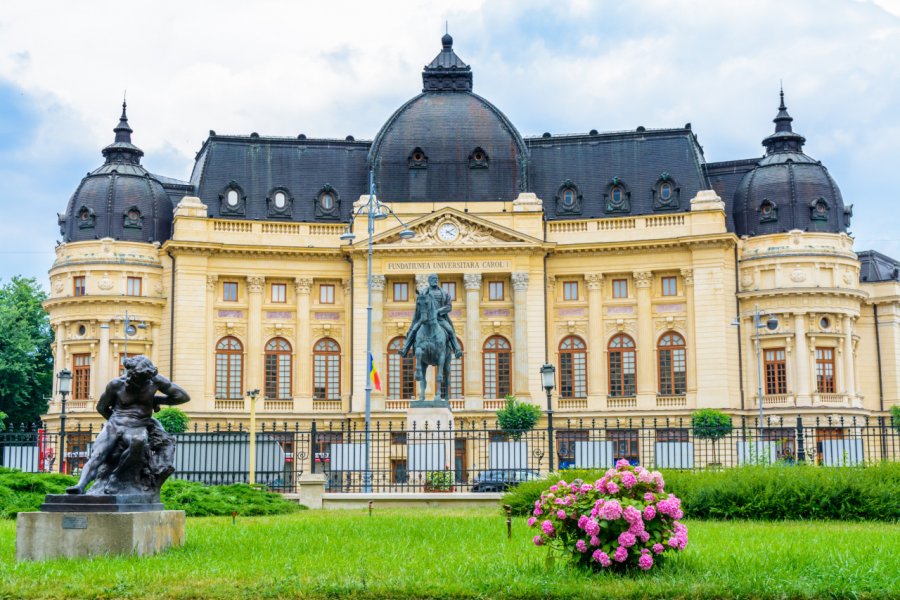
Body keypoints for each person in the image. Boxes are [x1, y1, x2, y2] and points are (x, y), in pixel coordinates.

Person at [66, 355, 189, 495]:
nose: (129, 379)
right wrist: (114, 424)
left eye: (135, 377)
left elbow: (182, 397)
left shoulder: (155, 383)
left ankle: (117, 477)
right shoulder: (116, 384)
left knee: (139, 442)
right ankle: (80, 485)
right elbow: (102, 407)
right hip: (115, 423)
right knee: (98, 453)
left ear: (146, 378)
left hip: (138, 425)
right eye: (129, 374)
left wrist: (156, 399)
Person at [399, 274, 463, 359]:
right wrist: (420, 318)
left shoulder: (444, 293)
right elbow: (419, 306)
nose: (435, 280)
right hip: (425, 319)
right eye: (433, 279)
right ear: (429, 281)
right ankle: (405, 349)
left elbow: (449, 307)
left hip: (440, 319)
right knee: (414, 330)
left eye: (436, 279)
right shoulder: (423, 293)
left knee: (450, 330)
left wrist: (438, 311)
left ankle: (457, 349)